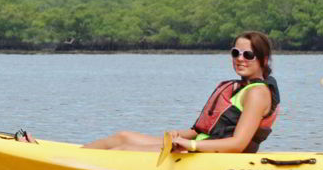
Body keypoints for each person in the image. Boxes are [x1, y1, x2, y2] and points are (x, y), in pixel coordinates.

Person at [83, 32, 281, 154]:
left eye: (248, 55)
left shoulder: (257, 93)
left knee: (124, 150)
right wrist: (180, 135)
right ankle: (71, 158)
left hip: (216, 156)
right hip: (202, 145)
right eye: (235, 53)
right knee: (122, 137)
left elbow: (238, 144)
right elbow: (204, 131)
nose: (240, 59)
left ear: (263, 60)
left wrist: (190, 146)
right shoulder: (239, 88)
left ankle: (72, 167)